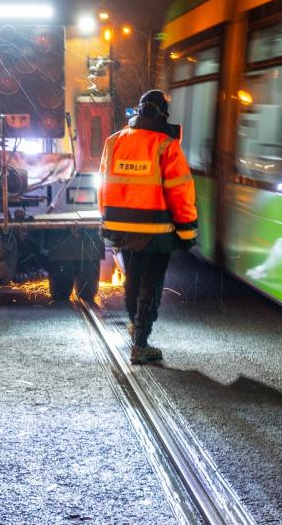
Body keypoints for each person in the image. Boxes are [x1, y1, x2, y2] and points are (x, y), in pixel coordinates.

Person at [98, 89, 198, 364]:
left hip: (121, 227)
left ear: (138, 111)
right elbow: (180, 192)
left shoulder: (114, 142)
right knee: (151, 285)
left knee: (133, 278)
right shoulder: (166, 145)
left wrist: (105, 219)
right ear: (162, 113)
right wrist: (187, 231)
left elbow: (104, 185)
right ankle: (140, 344)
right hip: (155, 230)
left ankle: (135, 325)